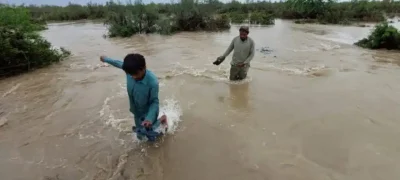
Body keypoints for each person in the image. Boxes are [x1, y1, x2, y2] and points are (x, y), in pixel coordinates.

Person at [100, 53, 167, 142]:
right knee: (140, 136)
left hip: (149, 112)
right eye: (130, 74)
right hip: (136, 110)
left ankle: (162, 118)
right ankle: (148, 127)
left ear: (143, 68)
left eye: (135, 74)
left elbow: (154, 102)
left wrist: (149, 118)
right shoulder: (130, 71)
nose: (133, 77)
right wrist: (105, 59)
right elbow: (118, 63)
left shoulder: (152, 82)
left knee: (152, 137)